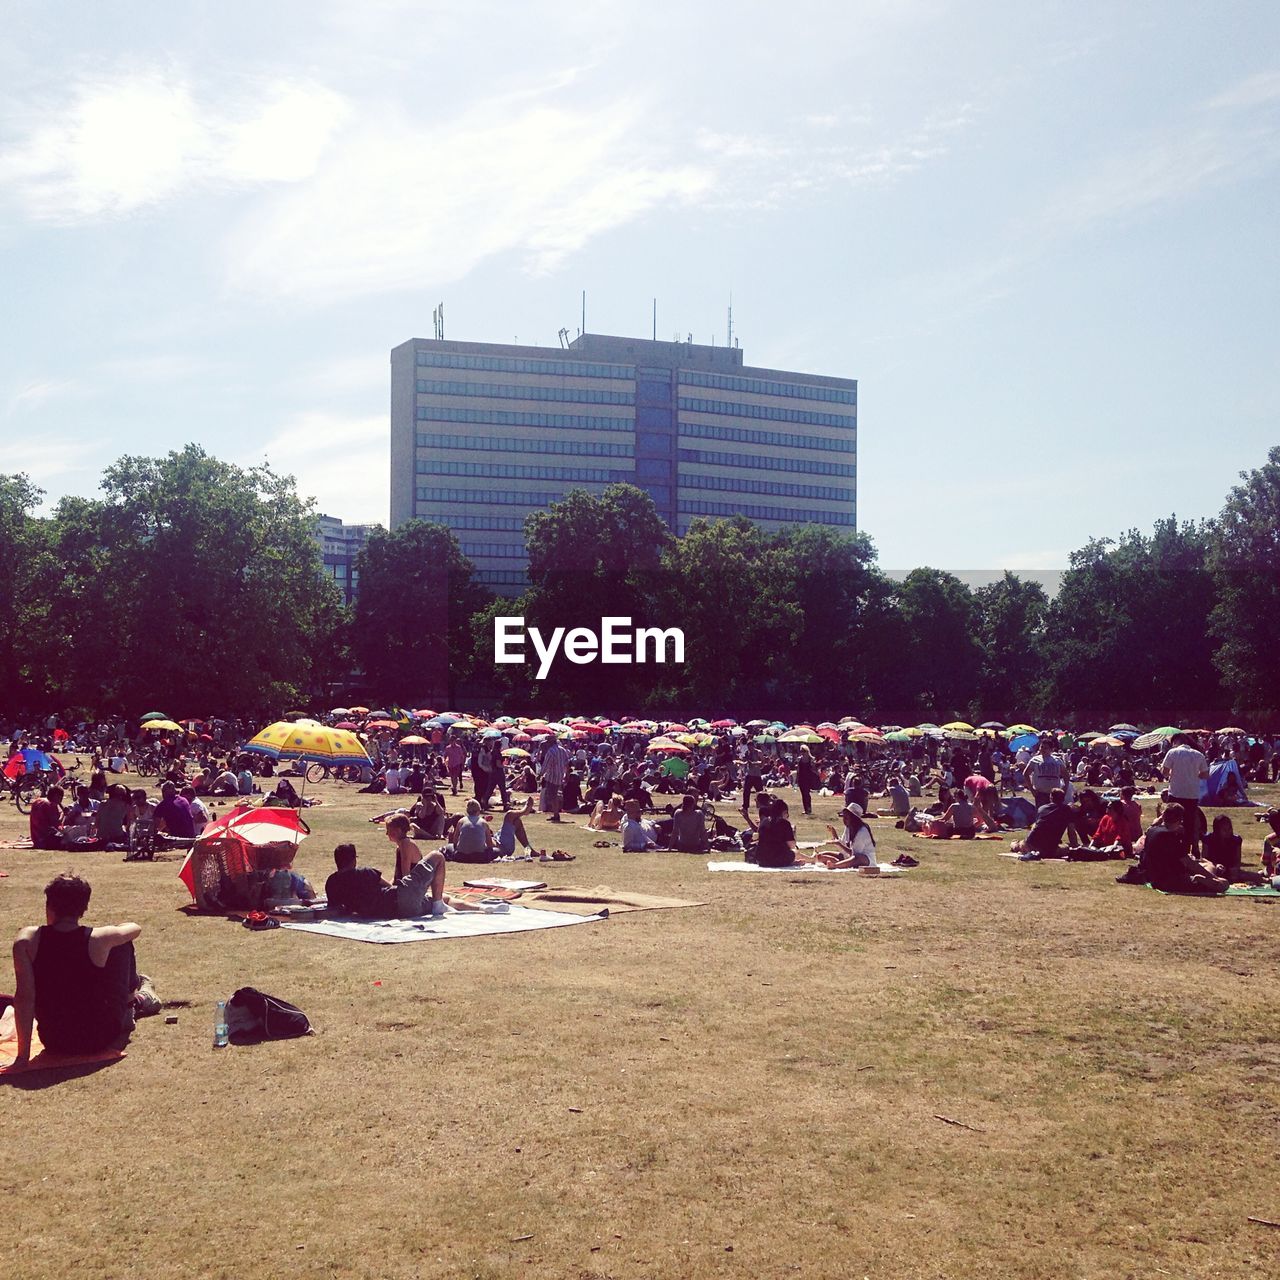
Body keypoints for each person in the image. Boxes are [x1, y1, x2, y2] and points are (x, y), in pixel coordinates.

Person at [7, 874, 158, 1068]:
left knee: (115, 942)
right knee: (121, 943)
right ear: (83, 909)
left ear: (49, 905)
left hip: (54, 1040)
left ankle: (136, 1003)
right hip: (100, 1036)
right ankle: (132, 1005)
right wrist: (114, 929)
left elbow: (24, 997)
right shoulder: (99, 938)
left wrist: (22, 1058)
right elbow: (135, 928)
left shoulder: (27, 940)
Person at [1142, 803, 1226, 895]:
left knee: (1206, 864)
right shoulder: (1169, 836)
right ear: (1180, 820)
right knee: (1224, 884)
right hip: (1171, 881)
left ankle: (1203, 879)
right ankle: (1201, 880)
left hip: (1153, 877)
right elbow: (1188, 863)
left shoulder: (1152, 831)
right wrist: (1213, 877)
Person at [1161, 734, 1210, 857]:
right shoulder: (1199, 755)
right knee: (1189, 822)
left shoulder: (1173, 752)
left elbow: (1164, 772)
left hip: (1176, 793)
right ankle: (1188, 849)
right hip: (1192, 794)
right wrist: (1193, 776)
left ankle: (1171, 846)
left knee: (1172, 820)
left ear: (1175, 742)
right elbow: (1205, 775)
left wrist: (1173, 773)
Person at [385, 814, 446, 911]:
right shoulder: (401, 846)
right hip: (410, 889)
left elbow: (406, 875)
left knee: (444, 899)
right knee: (446, 899)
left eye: (389, 830)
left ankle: (476, 908)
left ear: (398, 830)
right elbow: (398, 874)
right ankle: (477, 908)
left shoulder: (406, 844)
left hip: (411, 891)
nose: (386, 833)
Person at [1010, 789, 1083, 858]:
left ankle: (1014, 844)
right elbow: (1071, 832)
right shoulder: (1067, 810)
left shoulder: (1042, 808)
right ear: (1063, 798)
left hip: (1030, 844)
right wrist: (1075, 846)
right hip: (1049, 850)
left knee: (1020, 845)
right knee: (1066, 847)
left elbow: (1036, 826)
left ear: (1051, 798)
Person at [818, 802, 878, 868]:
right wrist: (834, 834)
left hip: (865, 860)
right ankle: (838, 863)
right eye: (843, 817)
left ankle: (835, 865)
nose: (844, 820)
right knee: (822, 854)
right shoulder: (848, 827)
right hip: (850, 857)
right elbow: (843, 848)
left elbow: (853, 854)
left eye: (846, 818)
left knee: (857, 858)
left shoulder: (862, 831)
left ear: (854, 819)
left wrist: (839, 844)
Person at [446, 799, 497, 863]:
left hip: (462, 855)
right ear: (478, 810)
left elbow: (455, 840)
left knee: (448, 847)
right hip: (480, 856)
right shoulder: (484, 822)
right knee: (496, 851)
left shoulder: (461, 821)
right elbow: (489, 844)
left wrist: (457, 848)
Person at [1024, 738, 1067, 808]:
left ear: (1051, 749)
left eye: (1046, 748)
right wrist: (1032, 790)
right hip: (1040, 794)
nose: (1043, 749)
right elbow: (1026, 774)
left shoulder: (1057, 760)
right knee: (1042, 813)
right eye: (1041, 747)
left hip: (1055, 794)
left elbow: (1065, 775)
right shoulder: (1035, 760)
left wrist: (1065, 788)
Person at [539, 739, 570, 822]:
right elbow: (567, 764)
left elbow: (546, 765)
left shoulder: (550, 751)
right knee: (554, 795)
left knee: (552, 796)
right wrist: (567, 774)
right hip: (560, 775)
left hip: (552, 776)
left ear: (550, 742)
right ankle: (556, 813)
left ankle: (556, 814)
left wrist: (540, 774)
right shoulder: (562, 750)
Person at [28, 785, 64, 849]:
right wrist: (64, 814)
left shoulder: (38, 801)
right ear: (55, 796)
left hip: (36, 838)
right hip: (45, 840)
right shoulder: (50, 805)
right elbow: (56, 824)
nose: (61, 799)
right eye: (60, 797)